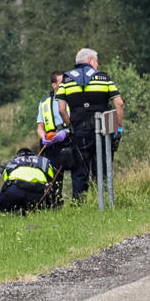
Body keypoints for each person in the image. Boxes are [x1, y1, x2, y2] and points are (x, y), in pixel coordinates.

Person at [56, 47, 125, 200]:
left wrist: (71, 125)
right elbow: (119, 104)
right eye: (97, 62)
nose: (97, 65)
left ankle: (79, 204)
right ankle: (105, 200)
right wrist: (118, 128)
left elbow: (61, 109)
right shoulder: (103, 78)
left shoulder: (66, 81)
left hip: (79, 132)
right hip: (103, 130)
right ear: (90, 61)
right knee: (103, 167)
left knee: (80, 170)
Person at [0, 147, 54, 217]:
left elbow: (6, 180)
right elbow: (51, 177)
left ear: (18, 156)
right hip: (37, 193)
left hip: (15, 190)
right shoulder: (44, 161)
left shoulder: (13, 162)